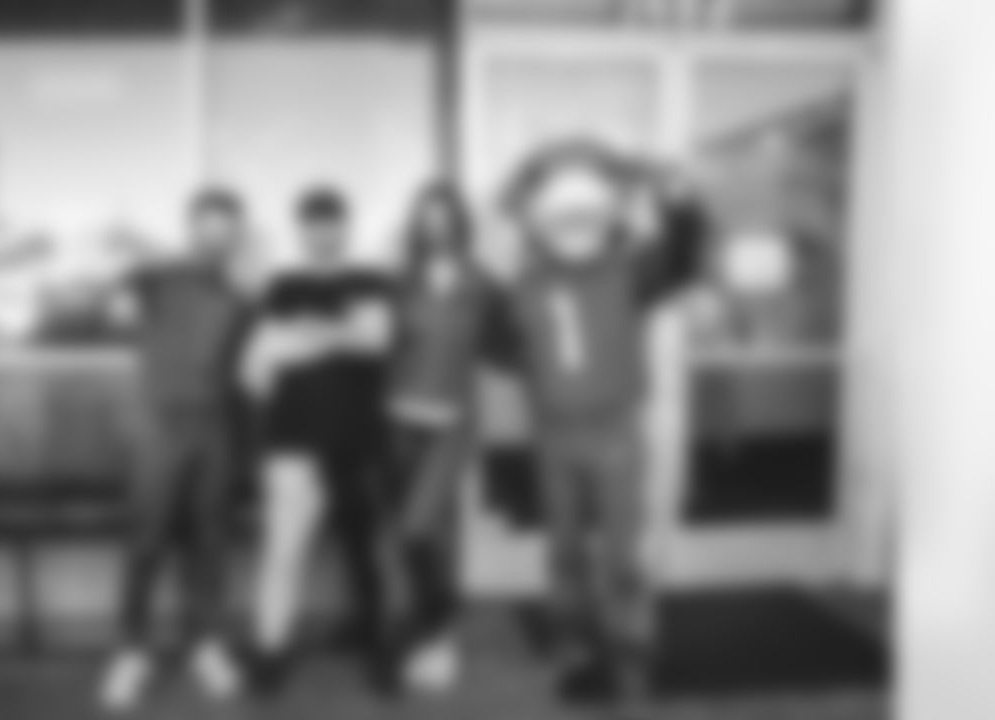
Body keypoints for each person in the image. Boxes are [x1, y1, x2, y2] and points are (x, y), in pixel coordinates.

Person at [490, 139, 710, 718]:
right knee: (563, 546)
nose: (575, 227)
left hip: (615, 431)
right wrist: (545, 161)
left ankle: (630, 645)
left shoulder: (632, 270)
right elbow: (503, 340)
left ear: (606, 219)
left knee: (621, 549)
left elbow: (685, 253)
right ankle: (571, 635)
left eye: (585, 216)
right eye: (563, 217)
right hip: (553, 434)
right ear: (543, 225)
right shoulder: (525, 280)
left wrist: (676, 197)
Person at [98, 189, 254, 711]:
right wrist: (125, 272)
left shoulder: (242, 289)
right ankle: (130, 652)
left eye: (225, 229)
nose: (216, 237)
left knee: (210, 542)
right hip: (158, 425)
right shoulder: (156, 274)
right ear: (191, 228)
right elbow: (114, 308)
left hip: (216, 427)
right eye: (206, 226)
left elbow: (251, 357)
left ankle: (206, 645)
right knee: (146, 540)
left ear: (236, 235)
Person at [238, 187, 397, 696]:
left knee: (363, 555)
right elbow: (255, 368)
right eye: (313, 224)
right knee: (282, 553)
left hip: (357, 441)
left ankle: (378, 652)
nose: (323, 233)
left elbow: (376, 341)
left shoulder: (371, 279)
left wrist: (305, 335)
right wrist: (335, 333)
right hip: (291, 441)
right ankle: (270, 649)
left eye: (332, 222)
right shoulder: (281, 286)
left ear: (346, 228)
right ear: (301, 231)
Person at [383, 181, 491, 695]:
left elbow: (513, 339)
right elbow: (387, 346)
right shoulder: (401, 280)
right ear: (418, 224)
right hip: (400, 418)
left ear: (459, 222)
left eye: (445, 216)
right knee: (427, 536)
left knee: (417, 529)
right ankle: (428, 631)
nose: (436, 226)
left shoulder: (480, 280)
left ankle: (438, 636)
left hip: (453, 420)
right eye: (428, 217)